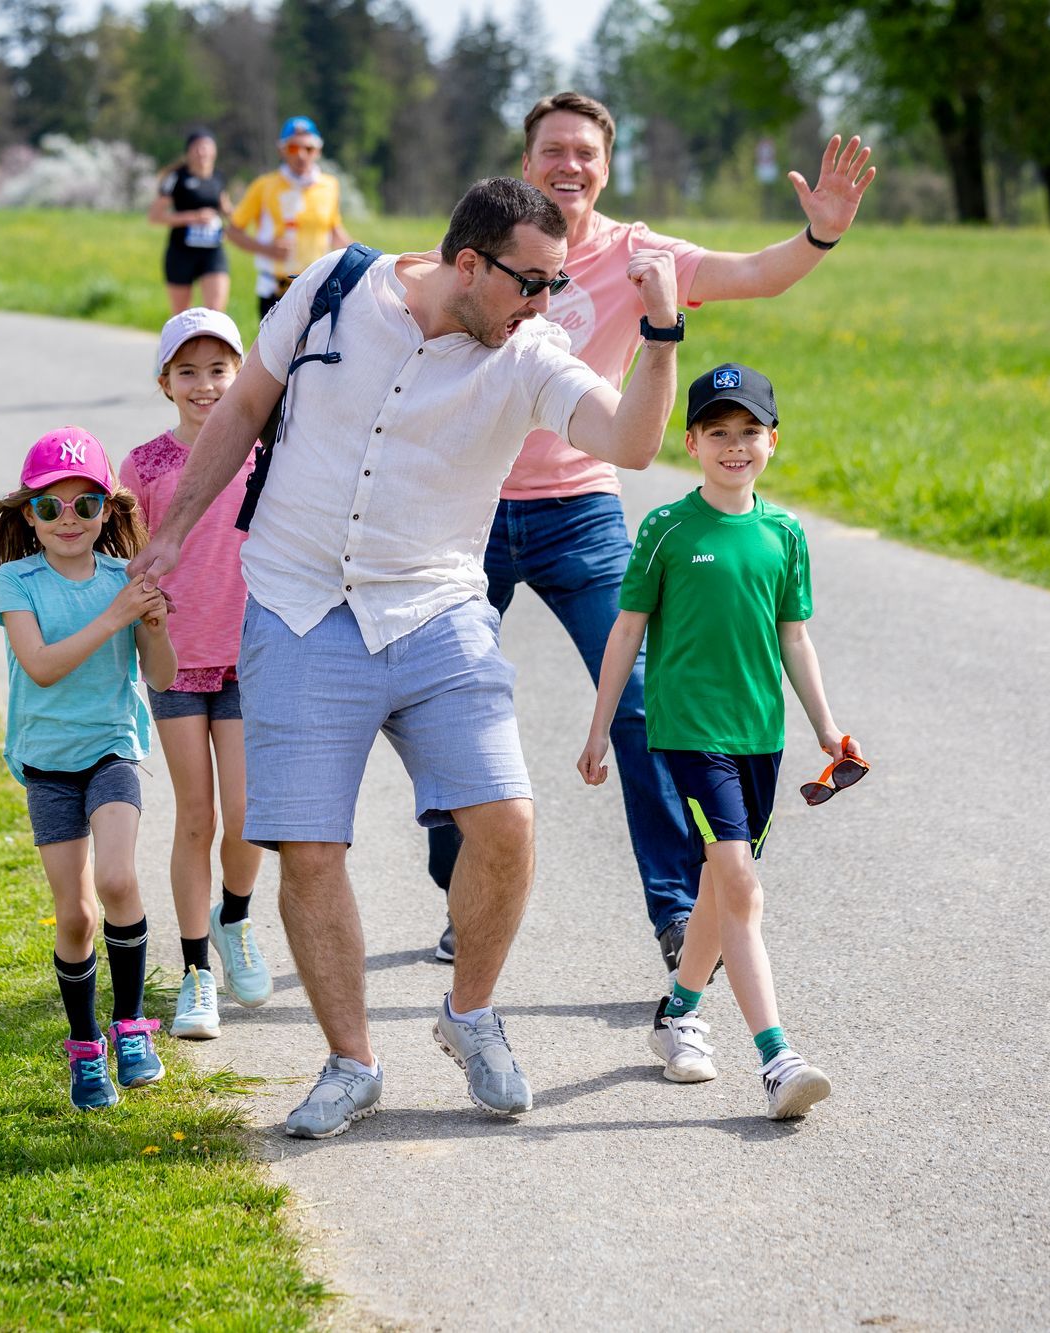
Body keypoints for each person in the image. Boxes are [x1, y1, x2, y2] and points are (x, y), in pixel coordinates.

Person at [130, 177, 684, 1139]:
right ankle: (352, 1064)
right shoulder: (332, 289)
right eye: (530, 283)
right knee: (308, 849)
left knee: (505, 822)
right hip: (300, 607)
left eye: (555, 286)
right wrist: (174, 531)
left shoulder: (530, 354)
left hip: (435, 610)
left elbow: (632, 443)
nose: (545, 305)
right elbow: (245, 407)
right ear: (467, 263)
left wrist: (663, 334)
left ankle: (469, 1013)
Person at [424, 91, 877, 1002]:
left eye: (586, 153)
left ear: (605, 164)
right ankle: (460, 877)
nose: (570, 166)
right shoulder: (495, 239)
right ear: (527, 160)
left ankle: (675, 910)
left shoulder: (640, 254)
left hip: (581, 507)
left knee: (635, 703)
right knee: (442, 700)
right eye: (554, 150)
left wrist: (818, 236)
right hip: (468, 507)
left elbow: (757, 271)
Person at [578, 362, 862, 1120]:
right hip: (688, 731)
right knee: (740, 881)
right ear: (693, 441)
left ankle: (677, 1015)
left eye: (749, 433)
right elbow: (627, 629)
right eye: (718, 433)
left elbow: (794, 638)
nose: (734, 446)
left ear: (772, 440)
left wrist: (826, 728)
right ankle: (777, 1056)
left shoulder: (785, 533)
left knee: (718, 884)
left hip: (757, 734)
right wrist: (600, 726)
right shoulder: (666, 528)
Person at [0, 427, 179, 1111]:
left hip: (112, 748)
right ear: (28, 515)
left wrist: (150, 623)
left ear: (108, 513)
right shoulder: (16, 581)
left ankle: (131, 1027)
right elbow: (44, 666)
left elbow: (163, 674)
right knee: (76, 916)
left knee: (119, 878)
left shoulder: (125, 578)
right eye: (51, 507)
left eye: (86, 505)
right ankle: (86, 1047)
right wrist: (117, 613)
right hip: (47, 765)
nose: (69, 520)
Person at [122, 308, 270, 1042]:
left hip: (252, 655)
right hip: (176, 661)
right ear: (165, 382)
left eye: (218, 369)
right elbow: (135, 554)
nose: (205, 384)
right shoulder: (145, 466)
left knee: (246, 816)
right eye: (188, 371)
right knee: (196, 817)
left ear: (241, 374)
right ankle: (194, 975)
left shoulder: (268, 447)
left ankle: (234, 918)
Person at [225, 116, 353, 318]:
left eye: (308, 149)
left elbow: (335, 232)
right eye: (293, 148)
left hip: (317, 287)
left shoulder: (329, 185)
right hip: (276, 288)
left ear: (318, 151)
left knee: (316, 350)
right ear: (282, 150)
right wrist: (267, 249)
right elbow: (232, 231)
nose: (301, 155)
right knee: (276, 351)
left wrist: (369, 258)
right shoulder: (265, 186)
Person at [148, 130, 233, 315]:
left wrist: (235, 223)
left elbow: (226, 209)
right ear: (188, 152)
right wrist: (193, 217)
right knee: (181, 314)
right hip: (181, 252)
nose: (202, 152)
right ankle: (176, 344)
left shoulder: (218, 177)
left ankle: (210, 343)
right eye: (197, 148)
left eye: (206, 148)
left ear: (214, 152)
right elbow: (155, 216)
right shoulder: (177, 177)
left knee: (215, 313)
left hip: (212, 250)